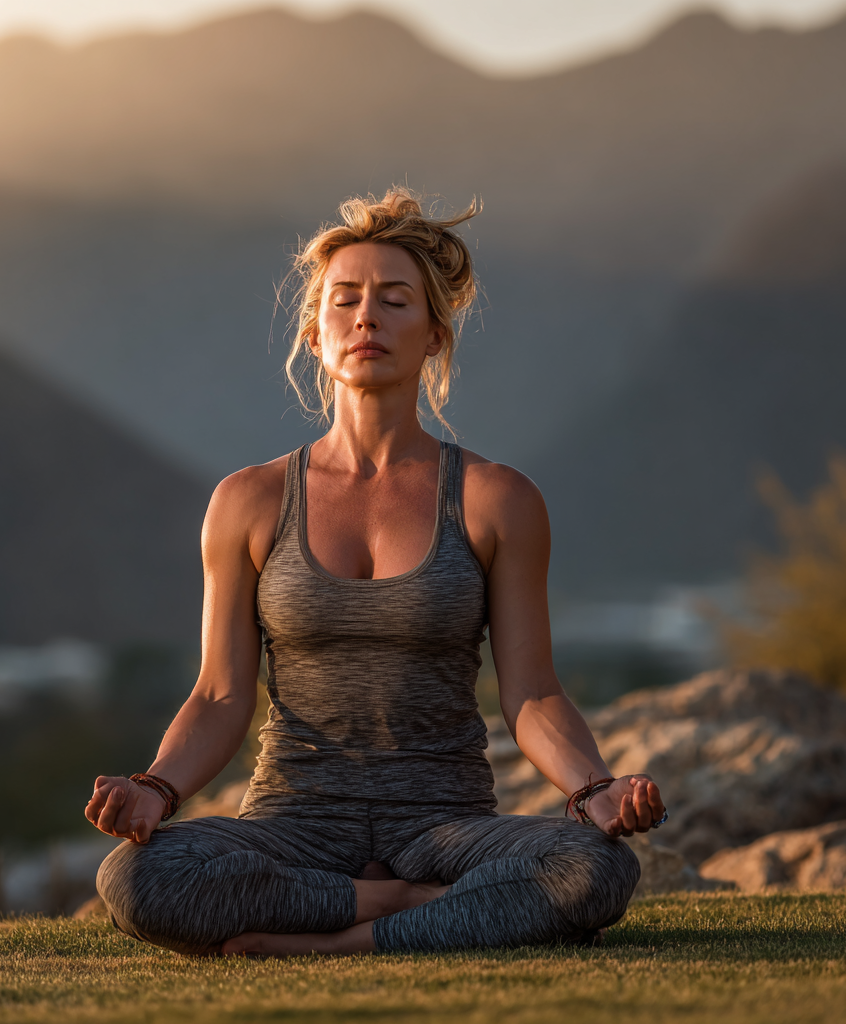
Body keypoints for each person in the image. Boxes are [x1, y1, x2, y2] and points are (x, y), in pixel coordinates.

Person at [86, 189, 665, 957]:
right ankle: (404, 910)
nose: (367, 318)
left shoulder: (498, 500)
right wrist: (154, 790)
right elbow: (221, 694)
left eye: (396, 301)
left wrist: (593, 791)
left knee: (593, 868)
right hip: (291, 823)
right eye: (345, 301)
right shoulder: (249, 501)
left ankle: (331, 942)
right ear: (314, 331)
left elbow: (533, 694)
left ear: (433, 335)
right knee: (136, 878)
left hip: (447, 826)